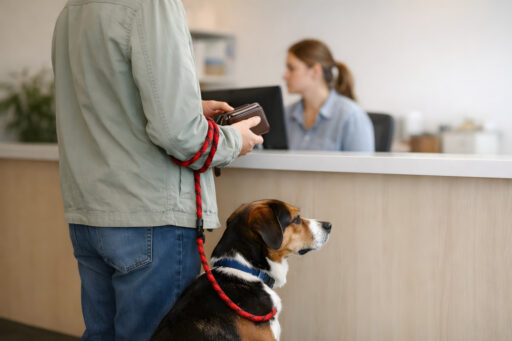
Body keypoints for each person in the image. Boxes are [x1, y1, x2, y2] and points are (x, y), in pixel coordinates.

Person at [51, 0, 263, 340]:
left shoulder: (73, 9)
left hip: (91, 211)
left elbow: (108, 102)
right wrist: (234, 140)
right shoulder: (153, 4)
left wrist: (192, 109)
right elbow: (179, 134)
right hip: (149, 215)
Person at [283, 39, 375, 151]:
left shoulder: (351, 117)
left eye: (291, 68)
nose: (285, 75)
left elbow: (362, 167)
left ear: (315, 71)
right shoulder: (286, 115)